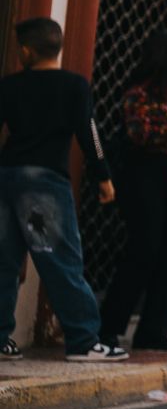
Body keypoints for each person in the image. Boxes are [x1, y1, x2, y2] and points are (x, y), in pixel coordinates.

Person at [0, 18, 127, 363]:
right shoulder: (74, 85)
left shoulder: (8, 86)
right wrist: (103, 176)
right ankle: (84, 339)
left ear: (26, 50)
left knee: (4, 259)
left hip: (6, 177)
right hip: (43, 184)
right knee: (60, 260)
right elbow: (89, 132)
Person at [99, 31, 167, 352]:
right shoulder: (141, 92)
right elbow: (138, 132)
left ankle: (152, 330)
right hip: (143, 177)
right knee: (143, 249)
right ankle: (109, 326)